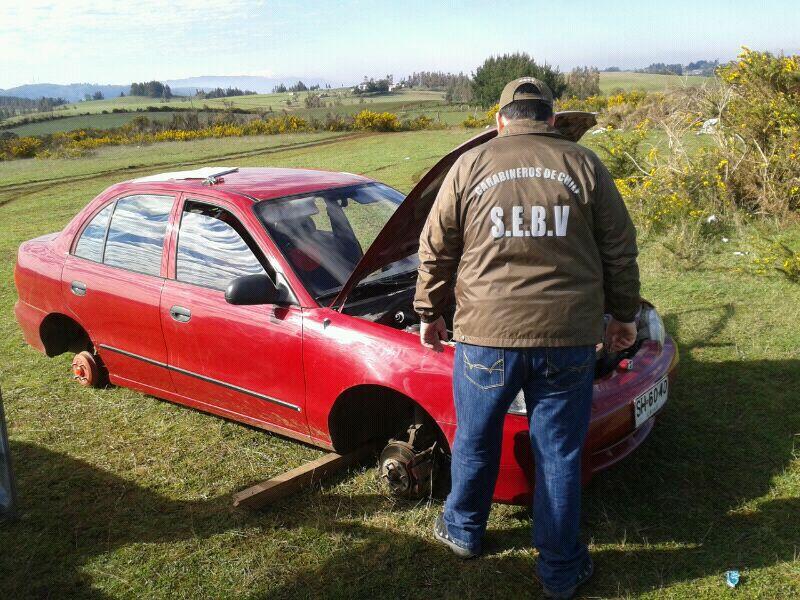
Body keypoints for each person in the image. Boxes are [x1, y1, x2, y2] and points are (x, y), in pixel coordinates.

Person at [414, 77, 640, 599]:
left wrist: (429, 311)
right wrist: (623, 315)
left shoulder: (469, 166)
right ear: (552, 119)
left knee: (475, 435)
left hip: (486, 336)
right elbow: (619, 250)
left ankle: (464, 531)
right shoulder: (584, 166)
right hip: (569, 336)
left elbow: (436, 247)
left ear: (500, 121)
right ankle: (560, 570)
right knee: (558, 452)